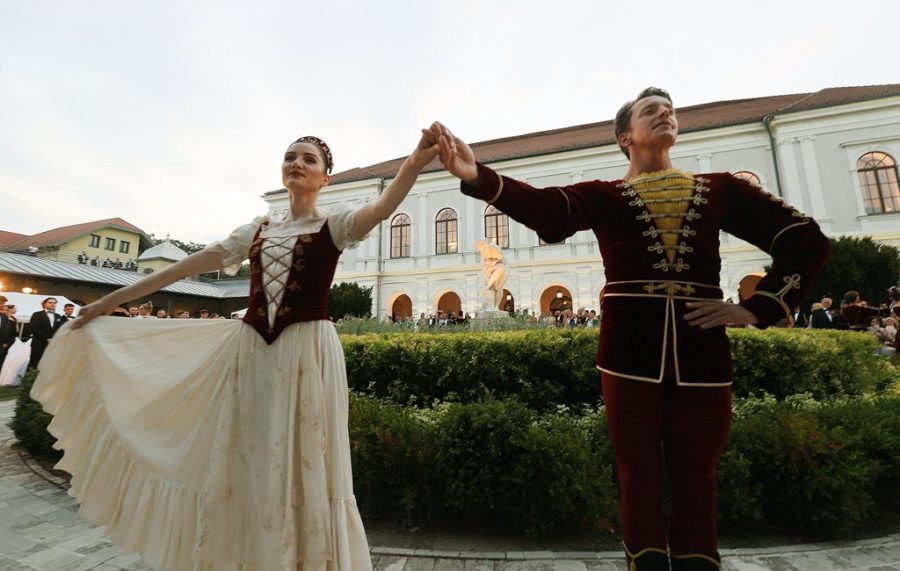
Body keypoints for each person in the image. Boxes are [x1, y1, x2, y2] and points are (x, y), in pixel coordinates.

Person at [430, 88, 830, 570]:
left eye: (670, 110)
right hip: (628, 352)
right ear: (625, 136)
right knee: (636, 472)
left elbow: (806, 239)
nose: (666, 113)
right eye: (651, 110)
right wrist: (476, 175)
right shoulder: (606, 195)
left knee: (698, 472)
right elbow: (547, 210)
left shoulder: (721, 188)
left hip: (702, 351)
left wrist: (757, 307)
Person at [31, 131, 440, 570]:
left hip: (307, 352)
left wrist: (414, 163)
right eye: (290, 157)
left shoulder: (334, 225)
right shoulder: (256, 231)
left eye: (309, 159)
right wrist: (109, 303)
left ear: (325, 178)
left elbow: (381, 208)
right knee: (248, 456)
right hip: (251, 353)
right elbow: (182, 268)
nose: (296, 163)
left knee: (305, 459)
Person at [22, 297, 62, 370]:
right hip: (39, 343)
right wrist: (47, 338)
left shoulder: (58, 316)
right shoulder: (37, 314)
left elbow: (59, 329)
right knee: (34, 363)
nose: (53, 304)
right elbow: (34, 328)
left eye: (54, 303)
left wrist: (55, 339)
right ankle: (29, 377)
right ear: (44, 304)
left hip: (52, 344)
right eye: (50, 302)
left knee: (48, 364)